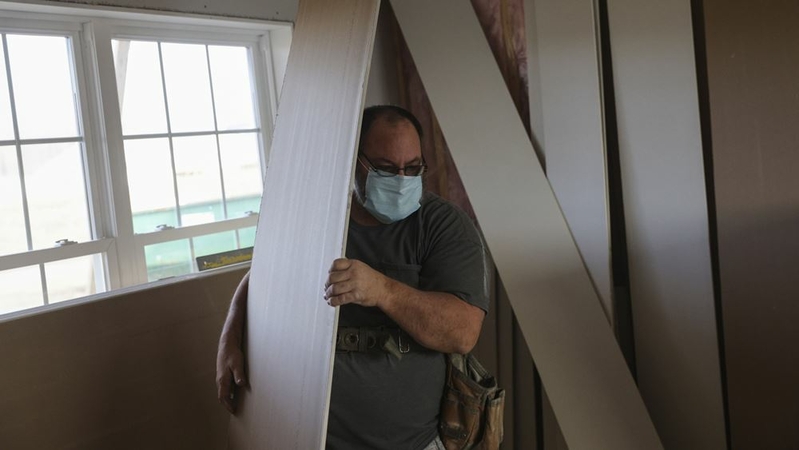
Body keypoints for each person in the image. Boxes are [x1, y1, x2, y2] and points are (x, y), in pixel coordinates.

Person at [216, 105, 489, 450]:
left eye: (412, 168)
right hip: (310, 437)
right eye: (386, 168)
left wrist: (383, 291)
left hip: (411, 442)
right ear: (354, 161)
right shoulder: (320, 216)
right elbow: (263, 274)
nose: (401, 181)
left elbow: (463, 333)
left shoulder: (443, 226)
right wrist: (229, 339)